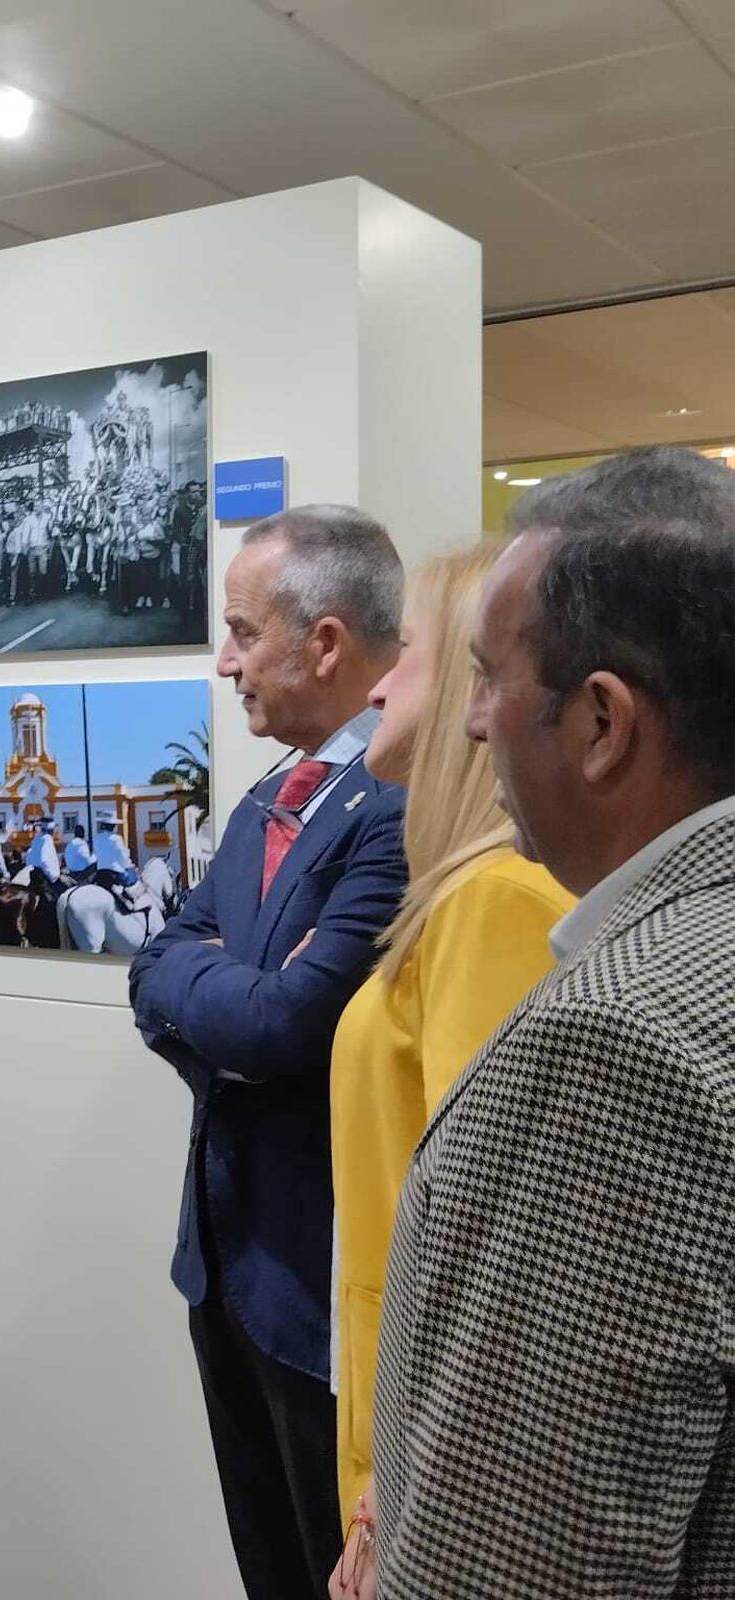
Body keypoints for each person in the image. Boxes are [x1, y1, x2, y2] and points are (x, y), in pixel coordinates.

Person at [368, 447, 735, 1598]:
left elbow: (518, 1562)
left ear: (600, 723)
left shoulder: (618, 1045)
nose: (472, 724)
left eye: (486, 675)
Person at [128, 506, 408, 1600]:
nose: (225, 660)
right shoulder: (264, 798)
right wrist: (226, 1005)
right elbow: (155, 970)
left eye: (243, 633)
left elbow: (295, 1024)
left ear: (324, 642)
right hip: (224, 1269)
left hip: (314, 1289)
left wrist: (217, 997)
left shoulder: (391, 810)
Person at [321, 546, 573, 1574]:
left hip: (420, 1458)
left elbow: (484, 1252)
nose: (377, 682)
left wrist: (395, 1502)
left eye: (407, 653)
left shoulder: (492, 902)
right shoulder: (461, 895)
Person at [24, 816, 60, 886]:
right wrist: (54, 877)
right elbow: (44, 861)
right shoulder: (47, 840)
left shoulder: (35, 840)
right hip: (46, 878)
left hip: (34, 875)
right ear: (51, 830)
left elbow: (28, 858)